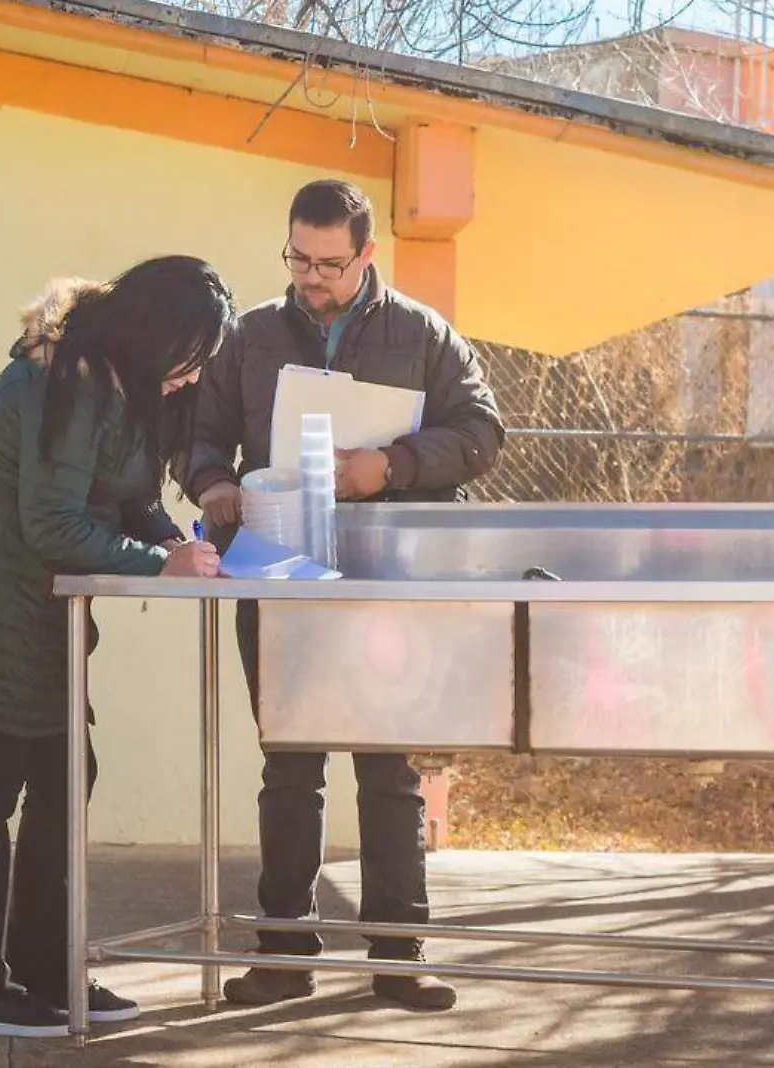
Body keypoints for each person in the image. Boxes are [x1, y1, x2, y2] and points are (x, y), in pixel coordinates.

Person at [0, 256, 234, 1039]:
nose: (192, 376)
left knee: (66, 776)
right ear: (154, 338)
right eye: (190, 358)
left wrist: (173, 540)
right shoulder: (68, 381)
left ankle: (44, 970)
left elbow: (123, 495)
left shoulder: (115, 382)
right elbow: (53, 525)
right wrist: (161, 564)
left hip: (36, 615)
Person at [186, 179, 506, 1012]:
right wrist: (214, 481)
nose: (312, 277)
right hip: (276, 569)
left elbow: (481, 433)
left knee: (388, 766)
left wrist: (392, 466)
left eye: (330, 262)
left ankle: (401, 958)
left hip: (385, 575)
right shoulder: (248, 335)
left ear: (368, 255)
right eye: (299, 258)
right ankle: (283, 954)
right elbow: (196, 435)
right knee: (288, 764)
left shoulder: (423, 334)